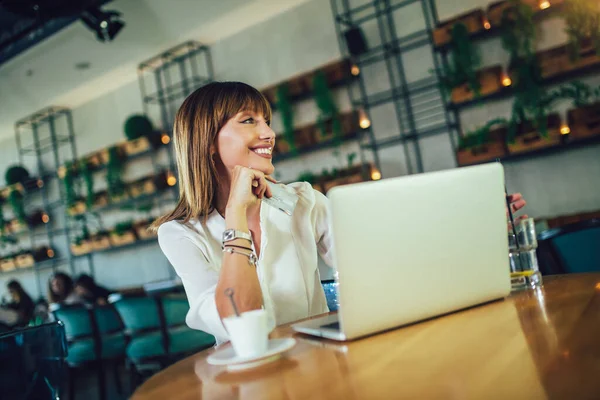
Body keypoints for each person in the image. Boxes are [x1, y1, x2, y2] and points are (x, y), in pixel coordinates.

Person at [152, 82, 527, 344]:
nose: (269, 133)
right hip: (241, 380)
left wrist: (474, 221)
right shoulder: (180, 233)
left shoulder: (300, 200)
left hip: (316, 362)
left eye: (267, 119)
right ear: (208, 143)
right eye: (249, 120)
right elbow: (237, 321)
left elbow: (383, 257)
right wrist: (237, 215)